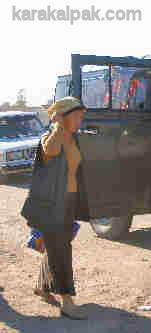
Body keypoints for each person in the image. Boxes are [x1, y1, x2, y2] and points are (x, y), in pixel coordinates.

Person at [31, 97, 87, 320]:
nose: (81, 120)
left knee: (58, 246)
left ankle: (42, 286)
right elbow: (51, 151)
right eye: (77, 116)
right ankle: (67, 300)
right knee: (60, 251)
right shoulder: (51, 138)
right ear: (63, 118)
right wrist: (58, 126)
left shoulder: (73, 138)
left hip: (68, 201)